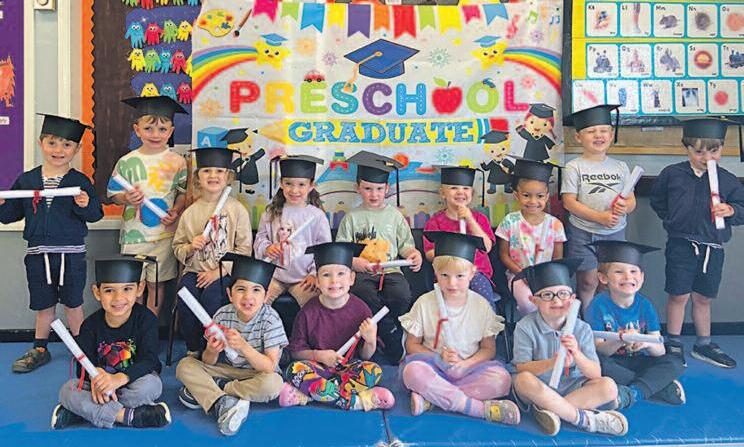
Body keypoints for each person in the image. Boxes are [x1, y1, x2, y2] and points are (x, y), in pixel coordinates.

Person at [0, 114, 103, 373]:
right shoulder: (27, 180)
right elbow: (11, 214)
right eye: (52, 143)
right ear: (41, 143)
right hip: (38, 253)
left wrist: (85, 204)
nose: (59, 150)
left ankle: (81, 350)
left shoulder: (80, 182)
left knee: (73, 303)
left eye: (67, 144)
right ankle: (40, 348)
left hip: (71, 254)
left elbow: (95, 214)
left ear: (77, 149)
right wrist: (1, 206)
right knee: (43, 303)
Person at [650, 118, 744, 368]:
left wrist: (731, 210)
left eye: (713, 151)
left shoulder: (728, 180)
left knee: (703, 298)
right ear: (687, 148)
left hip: (713, 248)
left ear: (722, 148)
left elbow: (742, 209)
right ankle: (673, 341)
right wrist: (673, 219)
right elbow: (658, 200)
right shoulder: (672, 174)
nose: (706, 157)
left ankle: (703, 343)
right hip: (681, 244)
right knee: (678, 295)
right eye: (699, 151)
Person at [399, 232, 519, 425]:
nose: (452, 283)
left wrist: (466, 364)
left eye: (460, 276)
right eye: (444, 275)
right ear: (435, 272)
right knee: (412, 372)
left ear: (472, 273)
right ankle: (477, 408)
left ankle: (434, 399)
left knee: (502, 379)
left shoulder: (481, 305)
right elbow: (412, 345)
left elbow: (489, 349)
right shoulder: (424, 303)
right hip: (434, 368)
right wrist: (438, 357)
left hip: (470, 370)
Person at [512, 259, 628, 436]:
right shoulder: (525, 327)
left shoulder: (582, 328)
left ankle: (551, 411)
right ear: (534, 300)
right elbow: (522, 367)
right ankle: (582, 419)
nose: (557, 300)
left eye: (563, 294)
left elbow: (595, 373)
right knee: (522, 380)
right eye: (547, 295)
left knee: (609, 387)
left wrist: (577, 353)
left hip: (574, 388)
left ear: (573, 299)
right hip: (540, 387)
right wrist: (552, 362)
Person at [51, 258, 170, 429]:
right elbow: (81, 367)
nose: (118, 298)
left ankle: (83, 411)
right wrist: (95, 376)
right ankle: (128, 416)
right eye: (109, 290)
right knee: (68, 390)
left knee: (151, 385)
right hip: (100, 386)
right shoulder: (89, 325)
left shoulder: (146, 320)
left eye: (127, 289)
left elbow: (149, 361)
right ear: (97, 292)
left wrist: (119, 379)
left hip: (132, 382)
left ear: (140, 288)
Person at [176, 254, 287, 436]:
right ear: (230, 294)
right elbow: (208, 362)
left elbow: (269, 366)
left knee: (273, 385)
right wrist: (211, 350)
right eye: (241, 289)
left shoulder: (271, 320)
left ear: (266, 295)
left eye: (256, 290)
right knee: (184, 365)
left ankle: (216, 393)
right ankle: (225, 401)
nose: (248, 297)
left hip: (257, 374)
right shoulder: (222, 314)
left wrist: (243, 346)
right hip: (227, 370)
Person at [280, 242, 395, 412]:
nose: (334, 281)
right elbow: (296, 353)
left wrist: (370, 340)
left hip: (348, 370)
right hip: (318, 368)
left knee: (374, 371)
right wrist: (319, 355)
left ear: (352, 278)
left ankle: (309, 396)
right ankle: (356, 401)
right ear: (317, 281)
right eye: (326, 275)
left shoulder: (361, 310)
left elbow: (365, 356)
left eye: (341, 274)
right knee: (294, 369)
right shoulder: (307, 312)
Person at [336, 150, 423, 363]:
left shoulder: (395, 216)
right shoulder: (351, 218)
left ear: (387, 188)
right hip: (362, 273)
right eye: (367, 189)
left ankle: (383, 331)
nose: (373, 194)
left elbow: (405, 245)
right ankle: (390, 331)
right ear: (358, 188)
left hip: (391, 269)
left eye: (378, 189)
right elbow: (341, 253)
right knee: (363, 293)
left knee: (401, 294)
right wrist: (354, 262)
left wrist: (413, 254)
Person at [108, 96, 188, 316]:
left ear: (171, 132)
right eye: (148, 128)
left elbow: (182, 193)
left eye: (162, 129)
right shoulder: (127, 162)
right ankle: (133, 326)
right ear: (137, 130)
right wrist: (127, 198)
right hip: (134, 235)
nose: (155, 134)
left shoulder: (177, 162)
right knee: (133, 285)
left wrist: (176, 210)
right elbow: (113, 194)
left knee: (156, 285)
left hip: (163, 235)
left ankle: (149, 327)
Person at [585, 241, 686, 409]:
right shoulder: (597, 305)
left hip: (637, 359)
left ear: (642, 277)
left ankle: (633, 393)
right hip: (611, 361)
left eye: (633, 271)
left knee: (675, 363)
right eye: (619, 272)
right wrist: (620, 339)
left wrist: (645, 343)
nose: (628, 277)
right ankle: (657, 386)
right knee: (596, 365)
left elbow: (659, 350)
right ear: (603, 278)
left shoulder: (645, 305)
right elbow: (599, 349)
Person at [173, 147, 252, 353]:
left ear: (228, 176)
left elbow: (244, 250)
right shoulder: (190, 213)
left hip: (225, 273)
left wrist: (218, 273)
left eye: (219, 171)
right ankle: (193, 348)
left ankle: (213, 349)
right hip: (195, 271)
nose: (213, 176)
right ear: (198, 177)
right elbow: (177, 248)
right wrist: (191, 247)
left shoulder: (237, 210)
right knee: (186, 296)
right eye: (206, 171)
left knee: (212, 298)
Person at [561, 104, 636, 309]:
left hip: (614, 234)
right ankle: (588, 321)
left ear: (611, 135)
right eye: (591, 131)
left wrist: (625, 207)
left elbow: (632, 201)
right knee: (588, 281)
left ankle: (605, 320)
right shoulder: (574, 167)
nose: (598, 135)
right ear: (578, 137)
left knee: (609, 281)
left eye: (603, 130)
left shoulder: (621, 167)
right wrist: (599, 217)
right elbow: (569, 202)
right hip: (583, 233)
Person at [254, 155, 332, 306]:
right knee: (256, 301)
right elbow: (260, 239)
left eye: (301, 184)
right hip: (274, 276)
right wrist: (267, 248)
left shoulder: (317, 216)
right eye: (288, 183)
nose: (294, 190)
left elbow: (324, 250)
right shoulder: (271, 213)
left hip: (303, 279)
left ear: (311, 185)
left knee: (315, 305)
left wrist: (314, 274)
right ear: (281, 183)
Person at [496, 159, 565, 314]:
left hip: (548, 276)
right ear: (516, 195)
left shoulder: (555, 224)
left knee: (556, 302)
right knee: (528, 303)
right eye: (526, 195)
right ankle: (530, 327)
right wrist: (523, 274)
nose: (533, 201)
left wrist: (547, 277)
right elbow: (504, 255)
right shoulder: (510, 221)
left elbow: (557, 258)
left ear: (547, 197)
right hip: (518, 276)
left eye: (539, 196)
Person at [424, 166, 500, 308]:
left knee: (482, 301)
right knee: (443, 305)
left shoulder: (480, 219)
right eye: (454, 188)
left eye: (466, 188)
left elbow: (487, 247)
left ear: (472, 193)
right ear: (443, 193)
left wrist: (470, 219)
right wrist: (452, 251)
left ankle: (489, 322)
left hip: (476, 273)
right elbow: (429, 254)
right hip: (447, 275)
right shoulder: (435, 222)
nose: (460, 192)